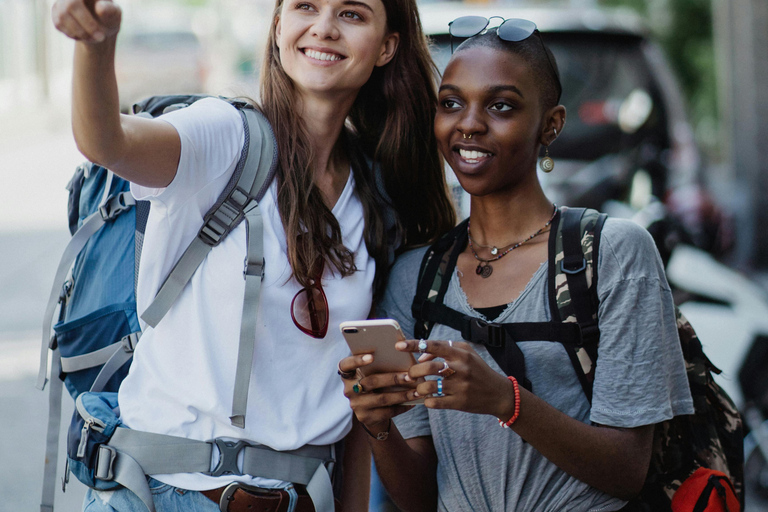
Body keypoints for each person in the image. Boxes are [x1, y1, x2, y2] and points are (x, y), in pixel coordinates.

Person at [51, 0, 455, 510]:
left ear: (387, 46)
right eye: (306, 6)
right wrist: (95, 46)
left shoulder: (374, 190)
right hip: (165, 495)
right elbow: (108, 141)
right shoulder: (227, 136)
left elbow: (351, 404)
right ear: (280, 25)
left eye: (352, 14)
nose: (324, 28)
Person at [339, 19, 694, 512]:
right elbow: (419, 498)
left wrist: (506, 401)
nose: (469, 123)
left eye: (501, 105)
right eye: (451, 103)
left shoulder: (612, 253)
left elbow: (627, 471)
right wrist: (378, 425)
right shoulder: (417, 277)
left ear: (551, 125)